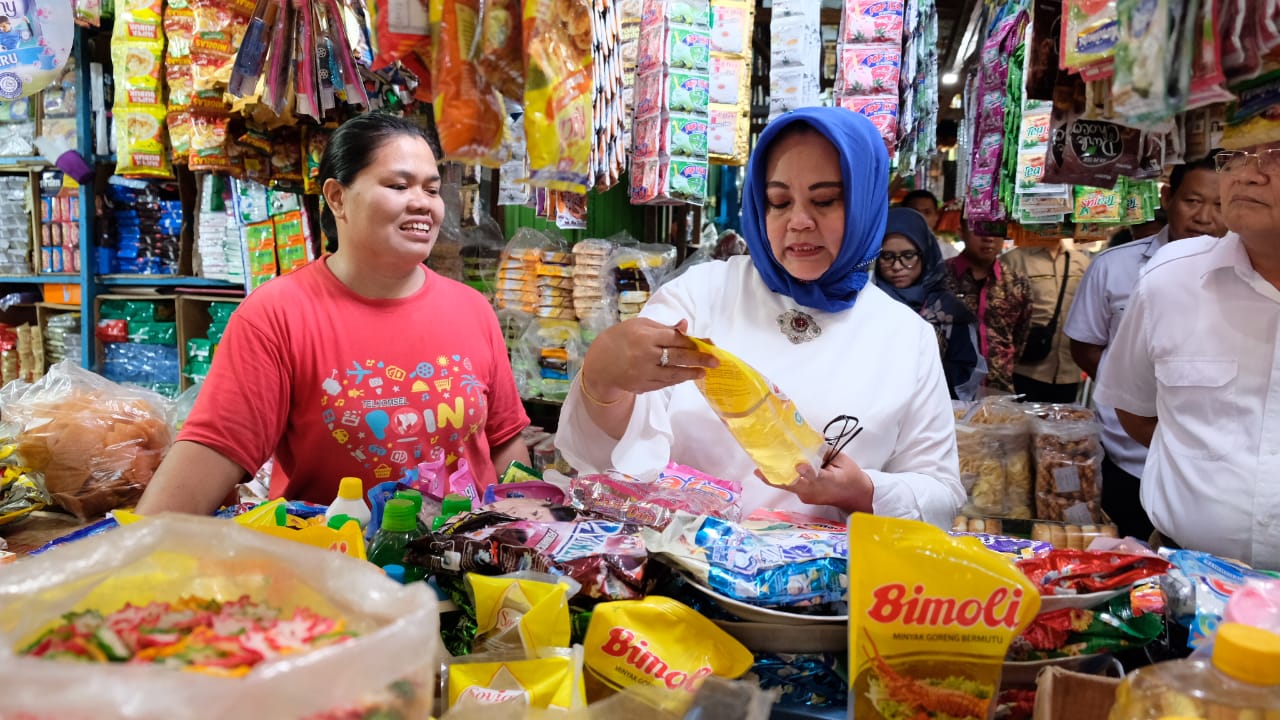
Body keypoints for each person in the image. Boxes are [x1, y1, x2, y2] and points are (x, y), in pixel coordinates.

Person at [555, 107, 964, 527]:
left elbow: (941, 494)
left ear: (866, 202)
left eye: (824, 201)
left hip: (821, 585)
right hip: (679, 573)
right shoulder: (700, 296)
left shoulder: (903, 336)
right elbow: (605, 457)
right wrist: (603, 377)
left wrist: (864, 492)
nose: (799, 222)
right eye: (778, 202)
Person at [136, 113, 531, 514]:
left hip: (465, 563)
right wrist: (140, 549)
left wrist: (528, 526)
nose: (422, 204)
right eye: (399, 185)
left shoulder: (472, 309)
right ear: (337, 197)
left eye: (431, 190)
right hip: (336, 565)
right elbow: (208, 455)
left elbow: (503, 441)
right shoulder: (277, 316)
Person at [1093, 136, 1280, 571]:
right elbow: (1134, 408)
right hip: (1184, 575)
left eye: (1275, 156)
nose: (1249, 173)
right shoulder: (1169, 279)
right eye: (1236, 155)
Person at [1064, 155, 1226, 540]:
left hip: (1208, 466)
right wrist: (1132, 387)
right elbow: (1086, 348)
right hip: (1124, 455)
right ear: (1168, 197)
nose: (1204, 217)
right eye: (1193, 201)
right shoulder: (1113, 268)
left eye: (1219, 205)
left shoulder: (1249, 276)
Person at [876, 207, 983, 399]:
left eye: (908, 256)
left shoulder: (949, 311)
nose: (897, 266)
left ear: (925, 254)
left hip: (935, 412)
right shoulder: (867, 305)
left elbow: (966, 369)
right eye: (887, 256)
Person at [944, 221, 1032, 394]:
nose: (988, 237)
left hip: (998, 389)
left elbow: (1020, 337)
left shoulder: (1016, 282)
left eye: (996, 229)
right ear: (961, 231)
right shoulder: (940, 277)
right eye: (978, 227)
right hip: (946, 389)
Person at [1002, 236, 1091, 403]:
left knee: (1063, 426)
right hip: (1025, 369)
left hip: (1069, 371)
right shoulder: (1014, 260)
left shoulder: (1081, 262)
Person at [900, 189, 960, 259]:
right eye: (915, 212)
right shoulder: (892, 247)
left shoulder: (950, 253)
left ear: (936, 217)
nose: (921, 217)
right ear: (903, 215)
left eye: (927, 212)